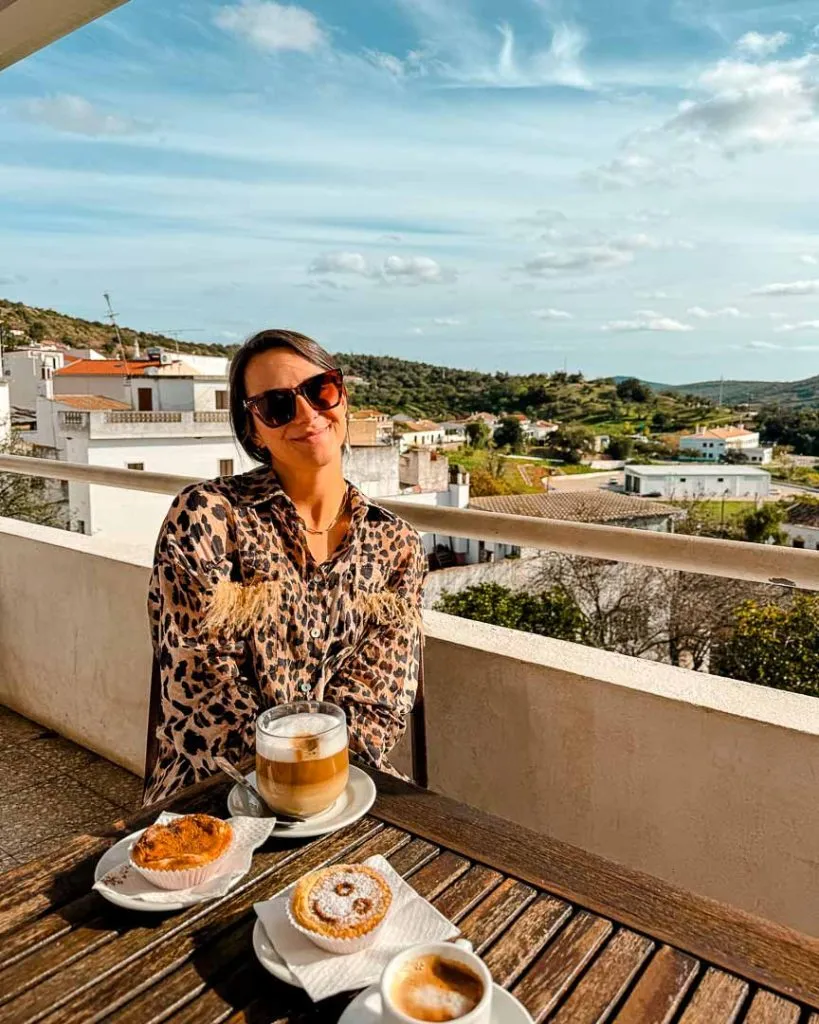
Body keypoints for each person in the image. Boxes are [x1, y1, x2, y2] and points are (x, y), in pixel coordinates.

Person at [143, 329, 426, 804]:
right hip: (217, 786)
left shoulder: (395, 543)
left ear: (342, 396)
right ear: (253, 428)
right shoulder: (209, 516)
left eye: (321, 390)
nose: (307, 414)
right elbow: (201, 690)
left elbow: (382, 696)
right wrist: (288, 780)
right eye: (277, 405)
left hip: (342, 779)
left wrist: (318, 783)